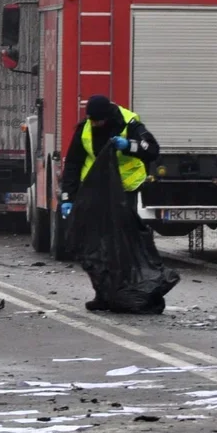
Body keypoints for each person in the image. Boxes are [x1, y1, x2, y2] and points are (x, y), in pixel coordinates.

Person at [59, 95, 161, 311]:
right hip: (96, 191)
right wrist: (67, 198)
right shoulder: (85, 128)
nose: (94, 124)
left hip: (124, 191)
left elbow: (152, 149)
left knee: (122, 244)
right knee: (98, 246)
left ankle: (126, 291)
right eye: (91, 120)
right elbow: (73, 164)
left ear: (107, 117)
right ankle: (103, 294)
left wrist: (128, 146)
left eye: (98, 121)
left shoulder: (129, 123)